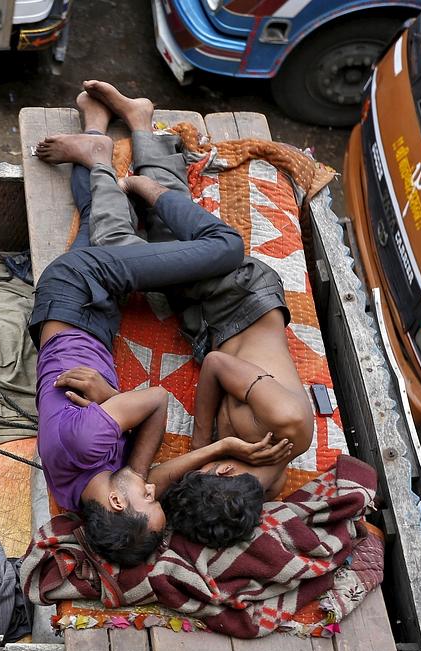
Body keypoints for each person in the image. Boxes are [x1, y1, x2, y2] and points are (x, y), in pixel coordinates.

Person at [37, 82, 313, 550]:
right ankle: (119, 142)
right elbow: (213, 370)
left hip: (105, 304)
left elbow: (160, 471)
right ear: (224, 472)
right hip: (241, 299)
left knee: (146, 238)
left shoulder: (232, 474)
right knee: (201, 245)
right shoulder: (285, 430)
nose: (153, 486)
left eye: (150, 497)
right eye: (155, 494)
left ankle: (118, 144)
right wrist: (203, 444)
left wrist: (206, 445)